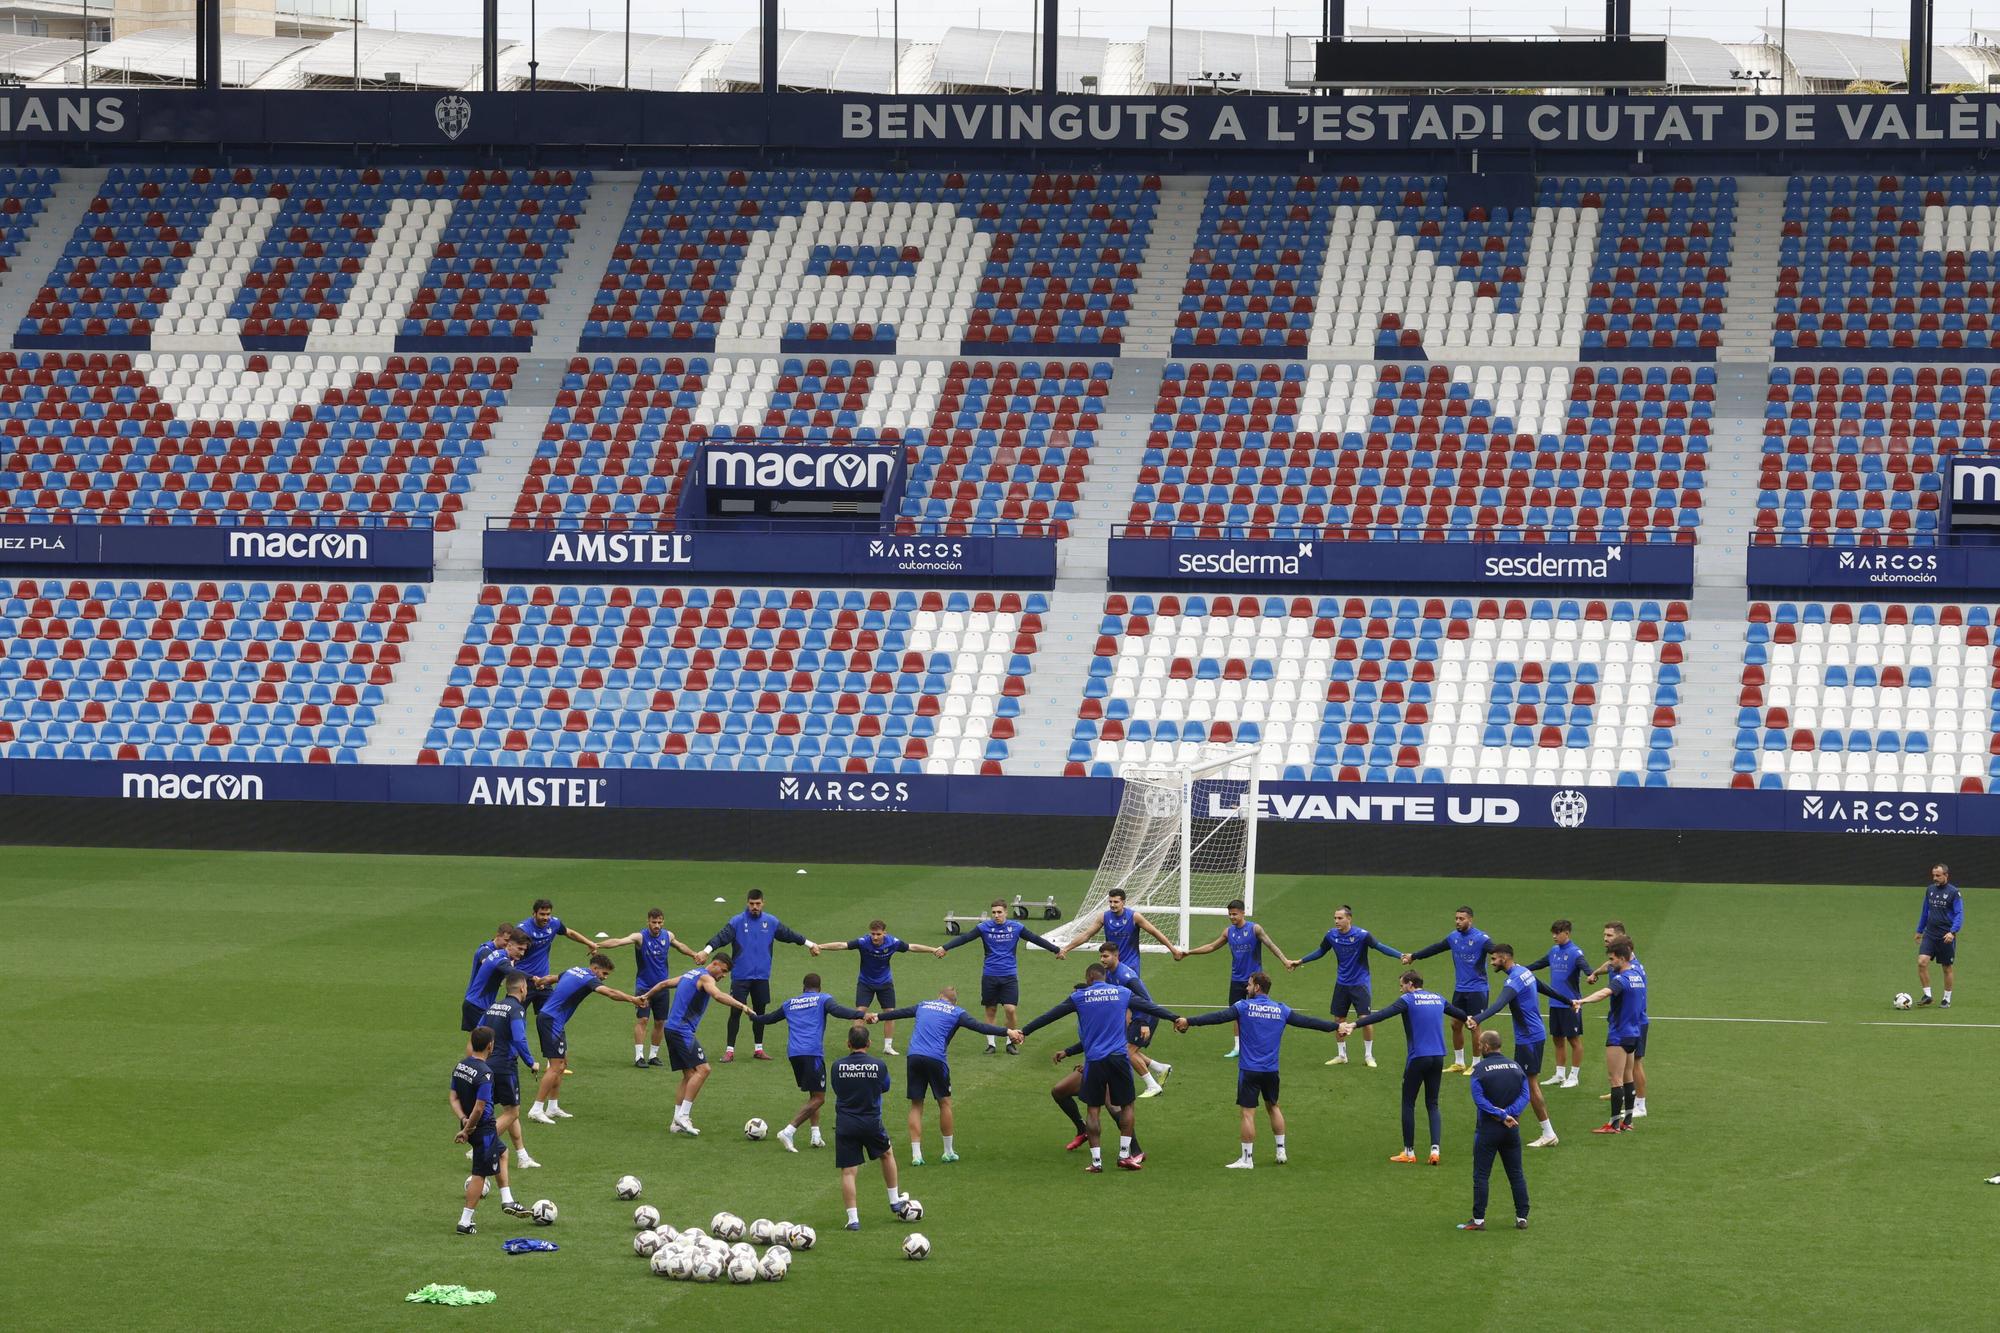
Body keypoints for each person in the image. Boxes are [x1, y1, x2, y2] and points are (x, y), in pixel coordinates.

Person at [1016, 963, 1180, 1172]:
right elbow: (1150, 1007)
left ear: (1088, 978)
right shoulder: (1122, 992)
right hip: (1119, 1059)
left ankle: (1096, 1162)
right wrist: (1175, 1018)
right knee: (1126, 1106)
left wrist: (1024, 1031)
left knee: (1094, 1110)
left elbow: (1050, 1015)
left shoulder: (1080, 997)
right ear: (1104, 977)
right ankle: (1124, 1155)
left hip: (1094, 1062)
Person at [1176, 971, 1339, 1168]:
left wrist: (1189, 1021)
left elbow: (1217, 1017)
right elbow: (1309, 1022)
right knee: (1274, 1107)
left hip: (1249, 1070)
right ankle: (1281, 1151)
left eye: (1249, 984)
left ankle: (1247, 1159)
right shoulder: (1281, 1009)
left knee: (1247, 1113)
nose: (1246, 988)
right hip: (1271, 1071)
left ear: (1257, 988)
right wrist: (1335, 1027)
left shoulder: (1243, 1007)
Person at [1342, 970, 1471, 1166]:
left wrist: (1355, 1024)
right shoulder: (1438, 998)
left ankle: (1409, 1152)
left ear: (1411, 984)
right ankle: (1435, 1149)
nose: (1401, 989)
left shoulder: (1408, 1000)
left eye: (1402, 985)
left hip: (1418, 1057)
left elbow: (1383, 1015)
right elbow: (1459, 1014)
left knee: (1408, 1103)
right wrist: (1469, 1019)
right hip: (1438, 1057)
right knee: (1433, 1103)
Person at [873, 985, 1012, 1164]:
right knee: (944, 1103)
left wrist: (877, 1016)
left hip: (914, 1056)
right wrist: (1007, 1031)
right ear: (955, 1001)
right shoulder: (956, 1012)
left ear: (939, 996)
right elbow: (980, 1027)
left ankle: (917, 1155)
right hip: (936, 1058)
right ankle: (948, 1151)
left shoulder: (923, 1005)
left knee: (916, 1105)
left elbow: (899, 1012)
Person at [640, 955, 759, 1137]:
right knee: (704, 1070)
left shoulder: (690, 974)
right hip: (682, 1031)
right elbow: (718, 995)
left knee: (689, 1075)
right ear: (715, 964)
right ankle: (684, 1116)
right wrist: (742, 1006)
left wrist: (646, 996)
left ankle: (675, 1122)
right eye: (724, 970)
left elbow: (664, 984)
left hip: (671, 1029)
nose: (724, 976)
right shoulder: (706, 978)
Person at [749, 972, 868, 1153]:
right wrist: (861, 1015)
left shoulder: (790, 1003)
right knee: (819, 1098)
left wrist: (753, 1016)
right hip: (812, 1053)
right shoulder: (823, 999)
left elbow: (769, 1018)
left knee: (814, 1095)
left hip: (794, 1054)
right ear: (819, 987)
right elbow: (838, 1011)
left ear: (803, 987)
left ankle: (815, 1135)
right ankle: (789, 1131)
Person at [1471, 944, 1572, 1149]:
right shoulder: (1524, 971)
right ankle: (1507, 1121)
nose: (1491, 963)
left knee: (1530, 1085)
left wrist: (1477, 1019)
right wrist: (1568, 1001)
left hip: (1529, 1039)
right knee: (1521, 1083)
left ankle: (1548, 1132)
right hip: (1533, 1036)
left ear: (1505, 958)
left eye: (1494, 959)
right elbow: (1544, 988)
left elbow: (1500, 1004)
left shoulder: (1514, 979)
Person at [526, 954, 645, 1125]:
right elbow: (610, 993)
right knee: (554, 1066)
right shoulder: (589, 979)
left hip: (553, 1020)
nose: (604, 978)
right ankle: (536, 1109)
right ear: (594, 968)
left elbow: (552, 978)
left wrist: (540, 982)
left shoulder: (574, 970)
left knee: (562, 1064)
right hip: (551, 1021)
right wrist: (632, 999)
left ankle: (552, 1107)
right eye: (604, 974)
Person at [703, 888, 818, 1063]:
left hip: (762, 977)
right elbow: (721, 937)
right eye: (751, 904)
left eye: (758, 904)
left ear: (763, 903)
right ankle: (729, 1051)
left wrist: (810, 944)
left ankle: (758, 1049)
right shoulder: (737, 922)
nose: (755, 907)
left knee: (759, 1012)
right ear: (747, 903)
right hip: (741, 976)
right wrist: (706, 951)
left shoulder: (771, 922)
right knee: (736, 1011)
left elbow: (789, 935)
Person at [939, 899, 1062, 1053]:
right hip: (989, 975)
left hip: (1009, 975)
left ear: (1006, 912)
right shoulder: (984, 928)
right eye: (994, 912)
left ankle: (1010, 1042)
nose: (996, 915)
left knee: (1010, 1009)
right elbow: (965, 938)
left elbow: (1035, 938)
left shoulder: (1016, 927)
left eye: (999, 912)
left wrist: (1056, 949)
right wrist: (945, 947)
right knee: (991, 1010)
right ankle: (991, 1044)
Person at [827, 1023, 917, 1231]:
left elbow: (836, 1088)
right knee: (886, 1154)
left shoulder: (837, 1065)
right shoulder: (878, 1065)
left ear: (848, 1044)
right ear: (869, 1043)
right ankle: (894, 1201)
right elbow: (884, 1087)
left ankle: (853, 1220)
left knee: (849, 1172)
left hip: (846, 1123)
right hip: (871, 1121)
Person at [1290, 904, 1403, 1067]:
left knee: (1365, 1019)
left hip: (1360, 984)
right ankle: (1342, 1055)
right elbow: (1320, 951)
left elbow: (1380, 947)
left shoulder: (1362, 935)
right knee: (1338, 1020)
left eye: (1340, 918)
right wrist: (1300, 961)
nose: (1336, 921)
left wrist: (1400, 956)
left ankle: (1369, 1056)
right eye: (1335, 918)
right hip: (1342, 983)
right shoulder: (1331, 935)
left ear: (1349, 919)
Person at [1183, 898, 1296, 1061]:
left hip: (1254, 980)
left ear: (1243, 912)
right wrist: (1190, 952)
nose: (1232, 917)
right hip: (1236, 979)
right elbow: (1212, 946)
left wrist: (1285, 960)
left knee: (1257, 1012)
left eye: (1235, 914)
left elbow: (1271, 945)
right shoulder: (1228, 932)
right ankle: (1237, 1047)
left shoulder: (1254, 929)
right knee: (1236, 1013)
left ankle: (1256, 1043)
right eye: (1230, 914)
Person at [817, 920, 944, 1056]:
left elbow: (911, 947)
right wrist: (820, 946)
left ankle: (888, 1047)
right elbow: (842, 945)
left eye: (878, 934)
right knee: (860, 1013)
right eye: (873, 934)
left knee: (890, 1013)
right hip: (865, 983)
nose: (875, 937)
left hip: (885, 983)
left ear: (885, 932)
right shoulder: (863, 942)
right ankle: (855, 1046)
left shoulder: (893, 942)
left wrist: (933, 950)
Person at [597, 908, 702, 1068]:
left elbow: (680, 946)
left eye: (660, 922)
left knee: (660, 1022)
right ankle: (639, 1056)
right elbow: (618, 941)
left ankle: (653, 1055)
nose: (657, 926)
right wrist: (597, 944)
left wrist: (694, 954)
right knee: (643, 1019)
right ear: (648, 922)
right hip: (644, 988)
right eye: (654, 922)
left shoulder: (668, 936)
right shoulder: (640, 937)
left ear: (663, 922)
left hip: (662, 987)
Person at [450, 1026, 527, 1233]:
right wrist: (469, 1128)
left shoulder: (461, 1066)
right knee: (479, 1173)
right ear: (490, 1045)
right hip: (481, 1128)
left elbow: (453, 1097)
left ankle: (507, 1200)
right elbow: (480, 1106)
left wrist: (463, 1120)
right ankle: (465, 1222)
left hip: (471, 1123)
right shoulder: (485, 1073)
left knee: (502, 1152)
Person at [1457, 1030, 1532, 1232]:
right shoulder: (1515, 1067)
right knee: (1516, 1174)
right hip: (1511, 1129)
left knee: (1481, 1175)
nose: (1479, 1047)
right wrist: (1510, 1114)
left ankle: (1478, 1220)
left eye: (1480, 1044)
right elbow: (1526, 1095)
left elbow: (1479, 1100)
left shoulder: (1480, 1070)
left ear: (1486, 1047)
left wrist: (1499, 1114)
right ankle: (1522, 1217)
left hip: (1488, 1130)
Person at [1404, 906, 1492, 1075]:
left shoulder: (1481, 939)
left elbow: (1496, 951)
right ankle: (1459, 1062)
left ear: (1470, 920)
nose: (1458, 922)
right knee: (1455, 1024)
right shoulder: (1453, 938)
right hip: (1460, 988)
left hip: (1478, 989)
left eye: (1462, 919)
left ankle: (1476, 1063)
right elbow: (1435, 948)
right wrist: (1414, 956)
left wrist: (1510, 964)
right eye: (1456, 918)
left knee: (1473, 1026)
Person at [1574, 937, 1648, 1134]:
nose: (1610, 963)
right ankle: (1628, 1121)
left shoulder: (1621, 979)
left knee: (1614, 1079)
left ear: (1623, 959)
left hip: (1618, 1034)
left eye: (1613, 959)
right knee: (1628, 1077)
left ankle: (1613, 1124)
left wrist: (1582, 1001)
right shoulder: (1638, 976)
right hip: (1634, 1032)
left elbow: (1603, 993)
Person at [1093, 943, 1175, 1098]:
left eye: (1105, 956)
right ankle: (1161, 1068)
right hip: (1135, 1017)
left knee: (1126, 1051)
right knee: (1128, 1048)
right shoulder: (1109, 973)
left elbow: (1147, 1000)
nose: (1102, 959)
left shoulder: (1126, 976)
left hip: (1145, 1016)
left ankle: (1152, 1085)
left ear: (1116, 956)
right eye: (1101, 956)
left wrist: (1144, 1023)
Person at [479, 971, 542, 1170]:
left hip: (487, 1064)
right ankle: (481, 1145)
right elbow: (519, 1038)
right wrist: (531, 1062)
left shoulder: (493, 1007)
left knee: (509, 1111)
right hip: (505, 1066)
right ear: (523, 988)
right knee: (513, 1112)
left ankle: (522, 1157)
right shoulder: (516, 1009)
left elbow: (478, 1032)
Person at [1058, 887, 1185, 972]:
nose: (1112, 905)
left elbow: (1155, 932)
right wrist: (1066, 949)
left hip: (1131, 964)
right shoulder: (1104, 917)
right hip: (1111, 963)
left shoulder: (1134, 917)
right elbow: (1086, 935)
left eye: (1116, 902)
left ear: (1123, 902)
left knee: (1130, 998)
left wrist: (1173, 950)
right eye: (1110, 902)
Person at [1526, 920, 1589, 1088]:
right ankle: (1560, 1074)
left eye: (1557, 933)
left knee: (1574, 1040)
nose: (1554, 936)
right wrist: (1523, 969)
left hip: (1571, 1004)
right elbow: (1539, 963)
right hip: (1555, 1003)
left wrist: (1591, 975)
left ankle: (1574, 1076)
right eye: (1553, 933)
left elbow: (1585, 967)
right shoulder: (1553, 951)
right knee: (1557, 1039)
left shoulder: (1575, 952)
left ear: (1567, 933)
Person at [516, 898, 601, 1020]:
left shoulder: (554, 923)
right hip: (523, 980)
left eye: (548, 914)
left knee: (551, 1016)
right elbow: (511, 952)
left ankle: (551, 1039)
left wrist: (589, 943)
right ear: (534, 913)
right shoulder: (523, 930)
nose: (545, 918)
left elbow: (569, 932)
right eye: (542, 914)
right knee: (516, 1017)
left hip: (544, 980)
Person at [1916, 862, 1963, 1008]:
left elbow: (1959, 914)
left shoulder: (1954, 892)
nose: (1935, 878)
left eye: (1938, 875)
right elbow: (1925, 911)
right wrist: (1919, 930)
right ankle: (1927, 995)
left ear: (1946, 875)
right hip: (1930, 934)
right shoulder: (1929, 890)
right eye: (1933, 875)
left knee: (1946, 967)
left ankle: (1946, 998)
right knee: (1922, 962)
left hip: (1946, 936)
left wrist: (1952, 932)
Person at [463, 928, 527, 1031]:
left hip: (478, 1002)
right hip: (477, 1004)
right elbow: (489, 963)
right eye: (506, 941)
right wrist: (534, 978)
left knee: (479, 1041)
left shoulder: (500, 955)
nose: (522, 953)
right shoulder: (488, 950)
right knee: (486, 1039)